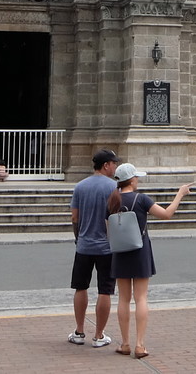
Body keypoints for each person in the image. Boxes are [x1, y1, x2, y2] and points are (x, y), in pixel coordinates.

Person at [107, 163, 192, 359]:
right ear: (131, 180)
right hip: (140, 250)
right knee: (141, 298)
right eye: (136, 177)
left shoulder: (112, 200)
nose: (138, 180)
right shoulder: (141, 199)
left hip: (120, 251)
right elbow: (166, 214)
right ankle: (139, 345)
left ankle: (125, 343)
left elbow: (108, 229)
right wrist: (180, 194)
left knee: (123, 299)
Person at [68, 149, 121, 348]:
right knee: (105, 290)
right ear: (106, 165)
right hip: (106, 247)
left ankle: (79, 331)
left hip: (84, 245)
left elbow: (75, 217)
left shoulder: (80, 186)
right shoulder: (114, 187)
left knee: (80, 287)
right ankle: (99, 335)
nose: (115, 167)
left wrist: (79, 237)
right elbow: (116, 217)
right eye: (114, 164)